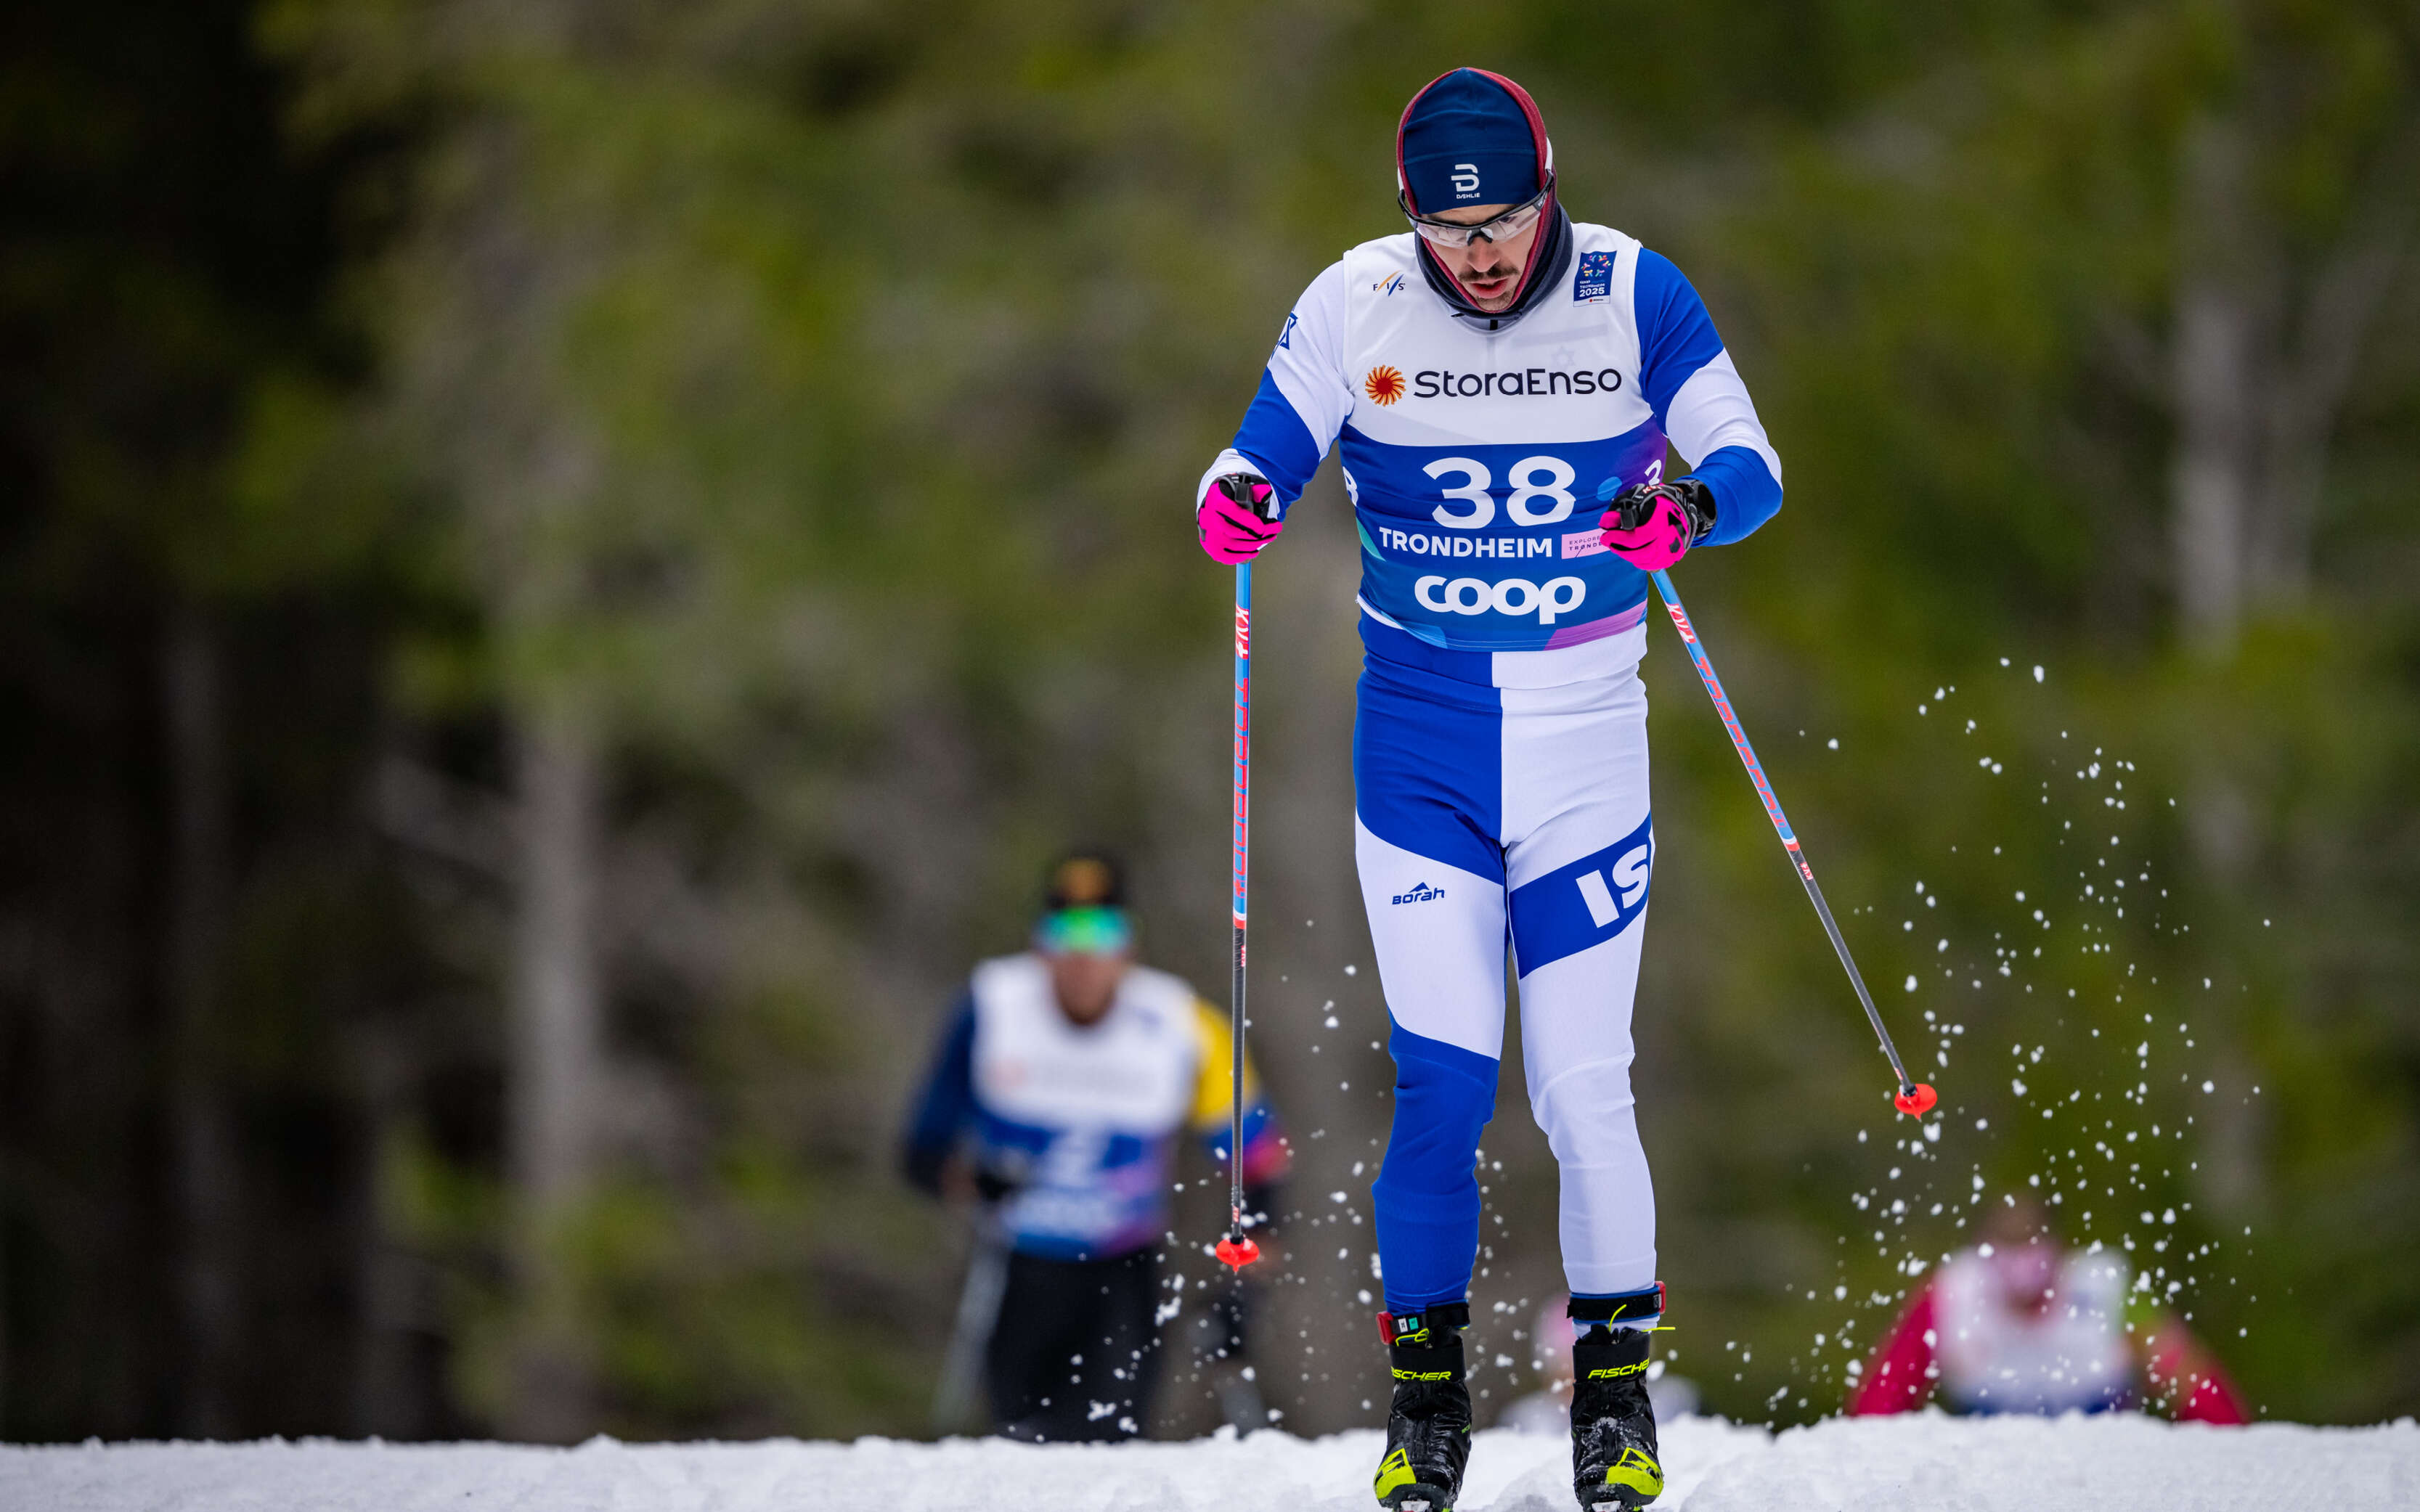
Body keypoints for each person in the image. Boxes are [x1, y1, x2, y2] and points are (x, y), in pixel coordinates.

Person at [1194, 67, 1783, 1512]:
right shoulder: (1354, 301)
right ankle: (1426, 1408)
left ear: (1546, 187)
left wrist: (1686, 510)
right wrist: (1235, 496)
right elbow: (1254, 450)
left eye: (1504, 219)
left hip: (1584, 748)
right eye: (1449, 228)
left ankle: (1614, 1403)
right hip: (1420, 751)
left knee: (1586, 1089)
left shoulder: (1637, 292)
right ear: (1409, 214)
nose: (1479, 251)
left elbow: (1750, 465)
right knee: (1442, 1091)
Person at [900, 853, 1290, 1442]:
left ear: (1128, 947)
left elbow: (1258, 1163)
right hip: (1017, 1268)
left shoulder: (1181, 1023)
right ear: (1039, 946)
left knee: (1109, 1446)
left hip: (1123, 1277)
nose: (1083, 956)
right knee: (1017, 1449)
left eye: (1102, 933)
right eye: (1064, 933)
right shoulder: (990, 1009)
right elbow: (921, 1153)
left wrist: (1243, 1286)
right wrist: (972, 1180)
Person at [1847, 1199, 2249, 1423]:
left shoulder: (2107, 1291)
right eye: (2007, 1246)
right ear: (1983, 1250)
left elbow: (2192, 1381)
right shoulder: (1951, 1294)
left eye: (2030, 1244)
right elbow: (1882, 1398)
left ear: (2058, 1246)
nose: (2020, 1263)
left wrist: (2236, 1451)